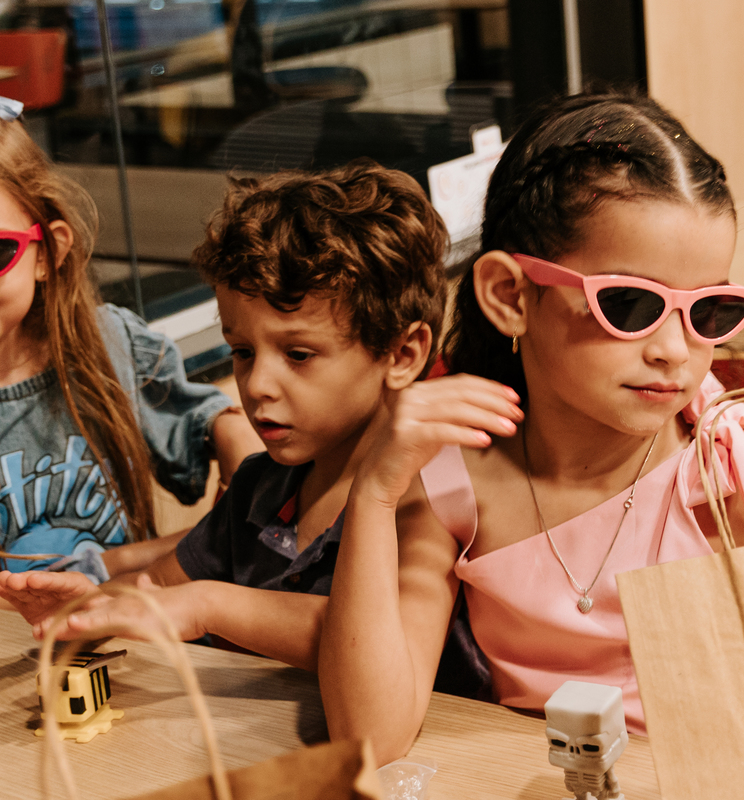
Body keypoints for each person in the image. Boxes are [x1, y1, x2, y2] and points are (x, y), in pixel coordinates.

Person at [318, 91, 744, 761]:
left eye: (710, 312)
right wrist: (374, 490)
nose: (674, 350)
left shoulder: (739, 474)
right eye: (630, 304)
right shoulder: (452, 482)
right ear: (510, 294)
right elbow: (371, 737)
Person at [0, 160, 454, 669]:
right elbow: (158, 588)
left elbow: (380, 646)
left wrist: (207, 606)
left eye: (298, 354)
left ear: (402, 354)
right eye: (242, 352)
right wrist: (87, 607)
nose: (256, 385)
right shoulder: (262, 487)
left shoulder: (431, 503)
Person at [0, 100, 260, 586]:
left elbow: (199, 422)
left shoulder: (108, 343)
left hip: (131, 625)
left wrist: (232, 436)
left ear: (48, 253)